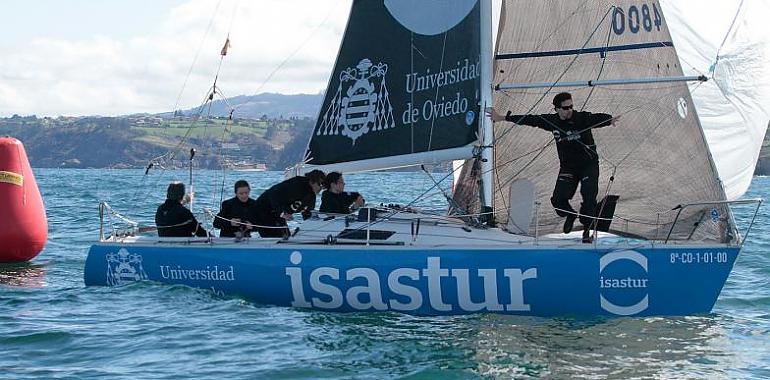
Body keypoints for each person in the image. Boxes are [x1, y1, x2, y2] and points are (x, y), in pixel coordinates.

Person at [486, 92, 618, 243]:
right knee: (557, 200)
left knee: (589, 197)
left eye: (571, 106)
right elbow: (531, 120)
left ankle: (587, 232)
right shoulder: (552, 121)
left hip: (588, 165)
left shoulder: (581, 118)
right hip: (569, 167)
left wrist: (610, 120)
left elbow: (597, 118)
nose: (569, 110)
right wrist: (503, 117)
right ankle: (570, 214)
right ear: (557, 109)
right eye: (565, 107)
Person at [253, 170, 326, 238]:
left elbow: (307, 214)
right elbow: (273, 194)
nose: (321, 188)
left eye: (323, 185)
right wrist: (282, 213)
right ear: (311, 181)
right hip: (263, 210)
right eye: (320, 184)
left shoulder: (311, 195)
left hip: (277, 214)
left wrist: (317, 228)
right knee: (275, 239)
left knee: (286, 237)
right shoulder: (297, 184)